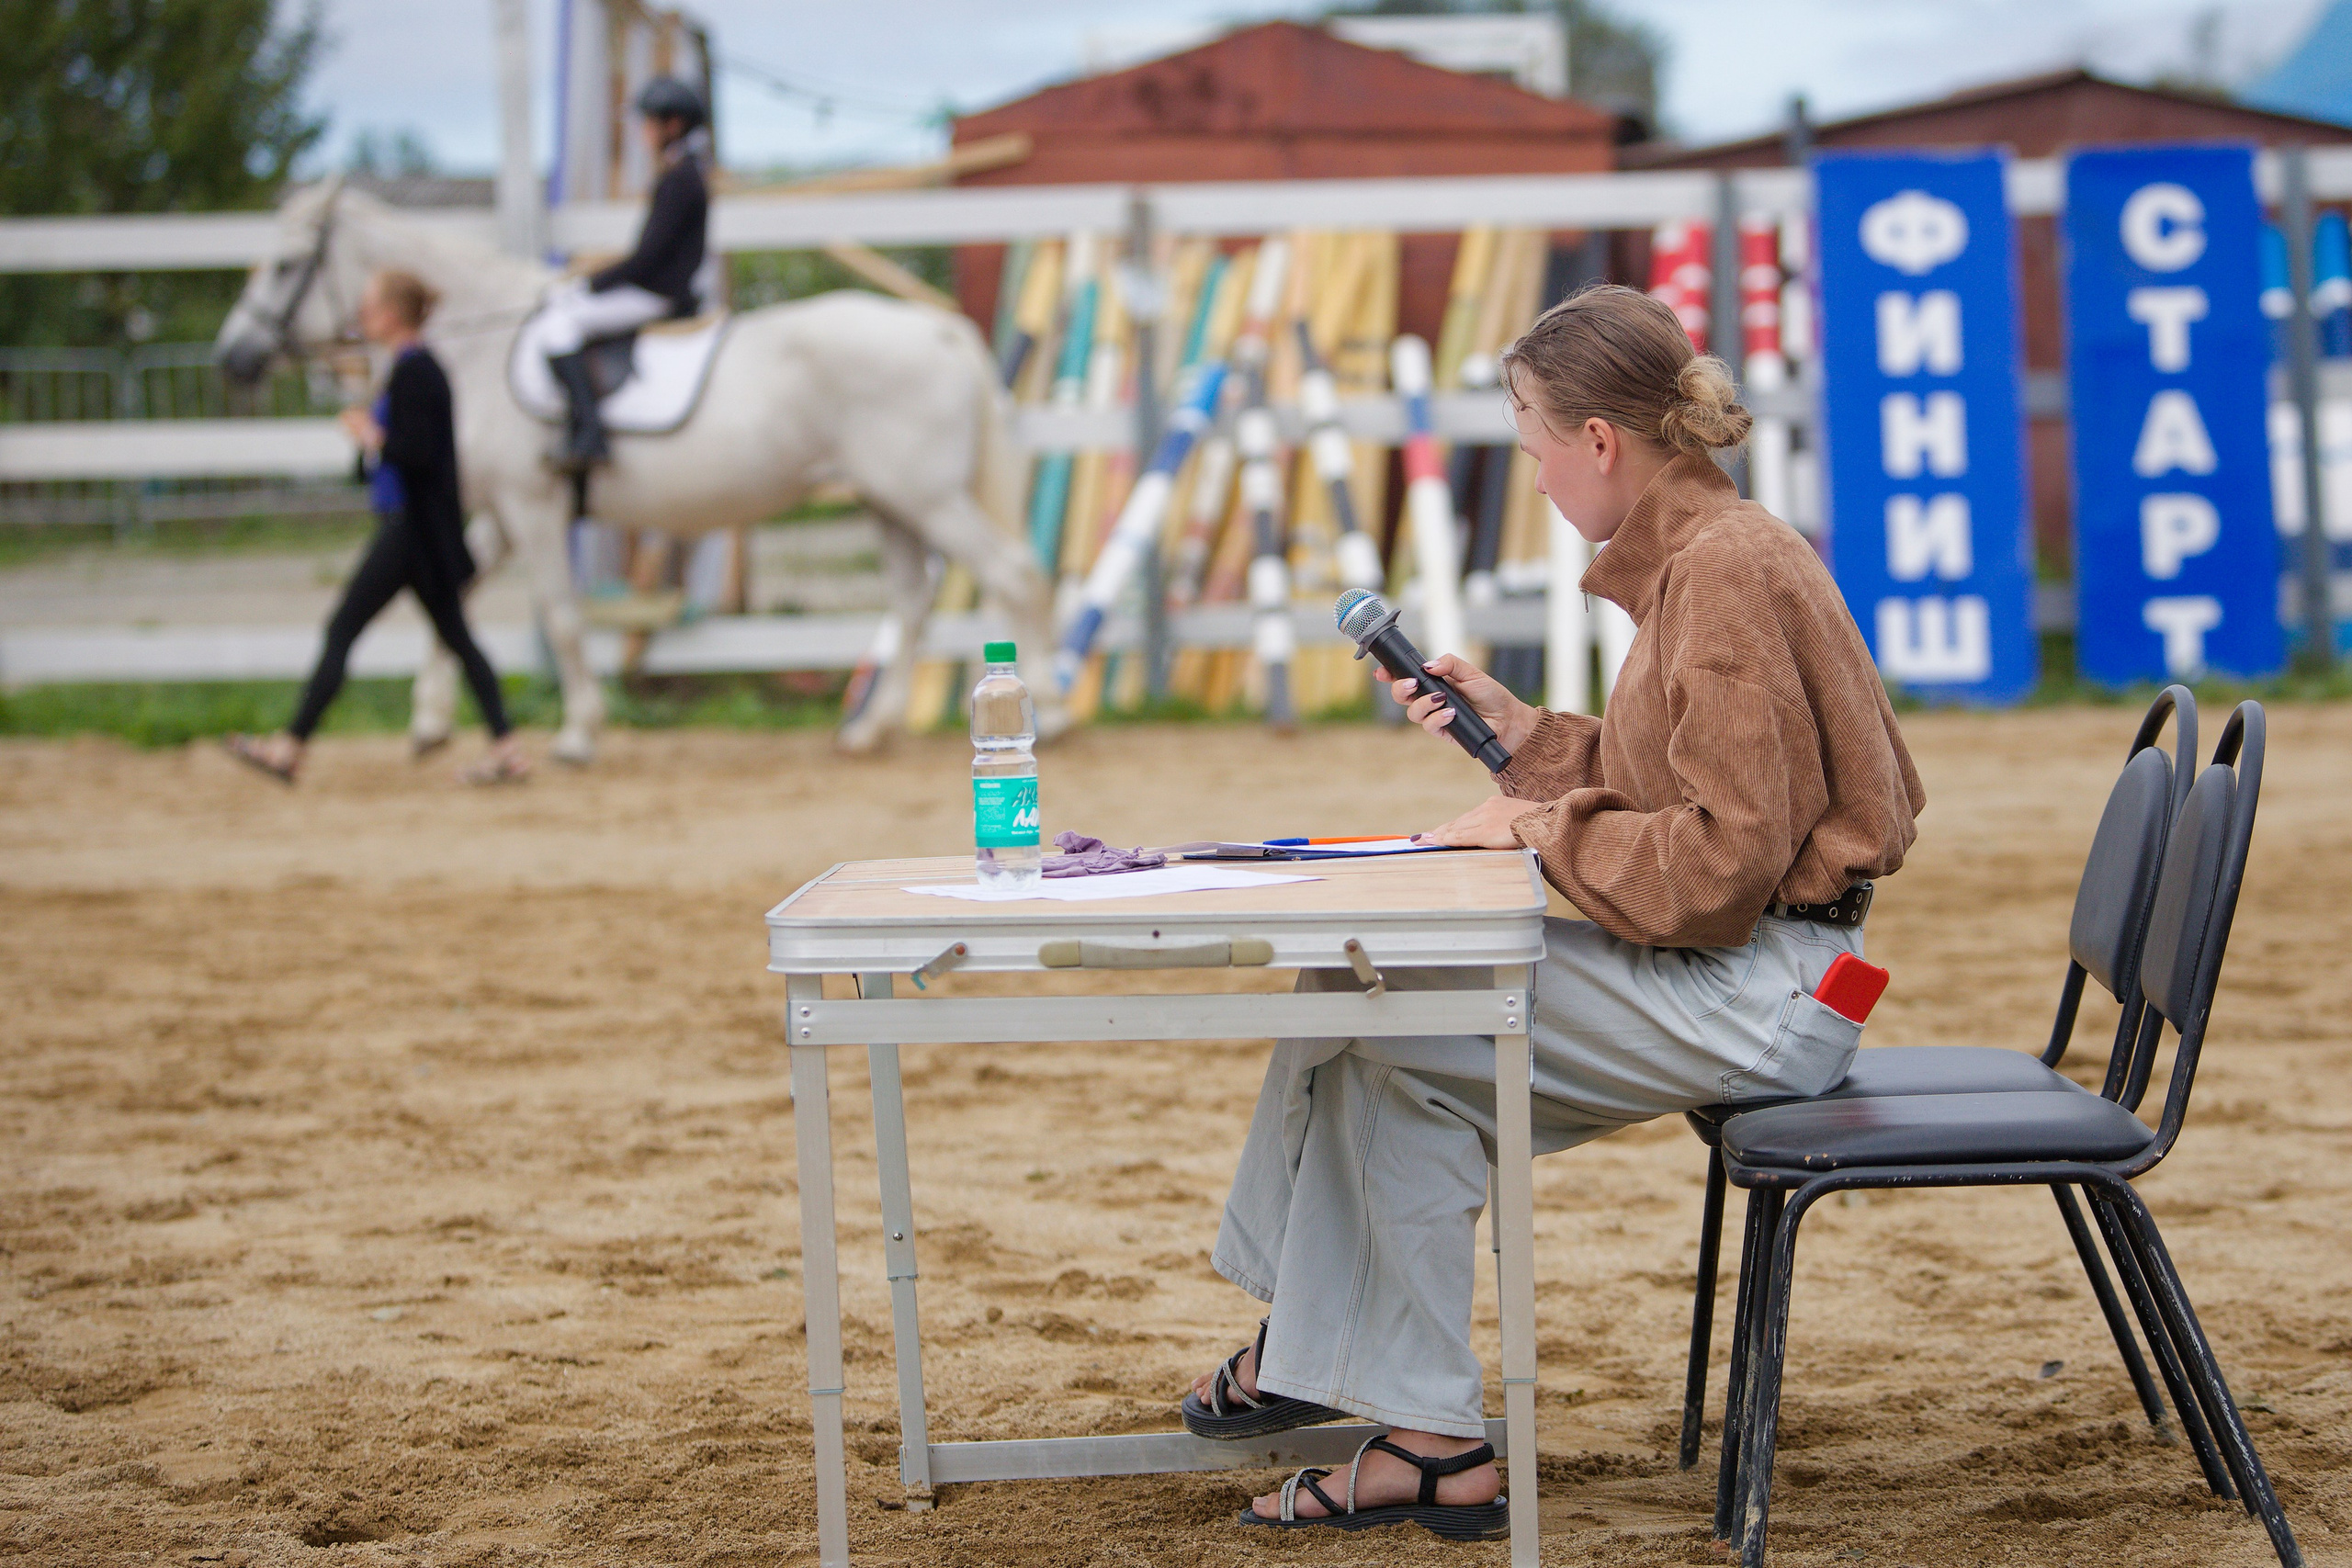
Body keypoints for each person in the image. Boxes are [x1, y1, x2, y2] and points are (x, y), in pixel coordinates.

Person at [1185, 285, 1925, 1539]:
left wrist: (1534, 825)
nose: (1531, 476)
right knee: (1373, 1010)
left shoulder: (1724, 573)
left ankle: (1376, 1396)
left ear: (1599, 443)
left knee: (1390, 1019)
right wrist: (1527, 740)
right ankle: (1358, 1378)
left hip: (1767, 989)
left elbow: (1721, 860)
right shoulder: (1711, 556)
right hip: (1757, 966)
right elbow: (1685, 782)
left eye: (1534, 445)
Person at [228, 270, 527, 787]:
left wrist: (370, 433)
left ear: (392, 313)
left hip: (411, 531)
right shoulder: (413, 368)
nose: (362, 316)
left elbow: (414, 454)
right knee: (458, 638)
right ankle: (508, 749)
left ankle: (290, 747)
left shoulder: (416, 371)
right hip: (422, 532)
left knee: (343, 629)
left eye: (369, 306)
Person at [536, 75, 711, 472]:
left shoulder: (679, 180)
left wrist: (586, 286)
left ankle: (591, 434)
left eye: (648, 121)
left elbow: (645, 260)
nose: (642, 131)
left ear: (673, 125)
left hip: (656, 294)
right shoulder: (682, 174)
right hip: (658, 288)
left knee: (559, 327)